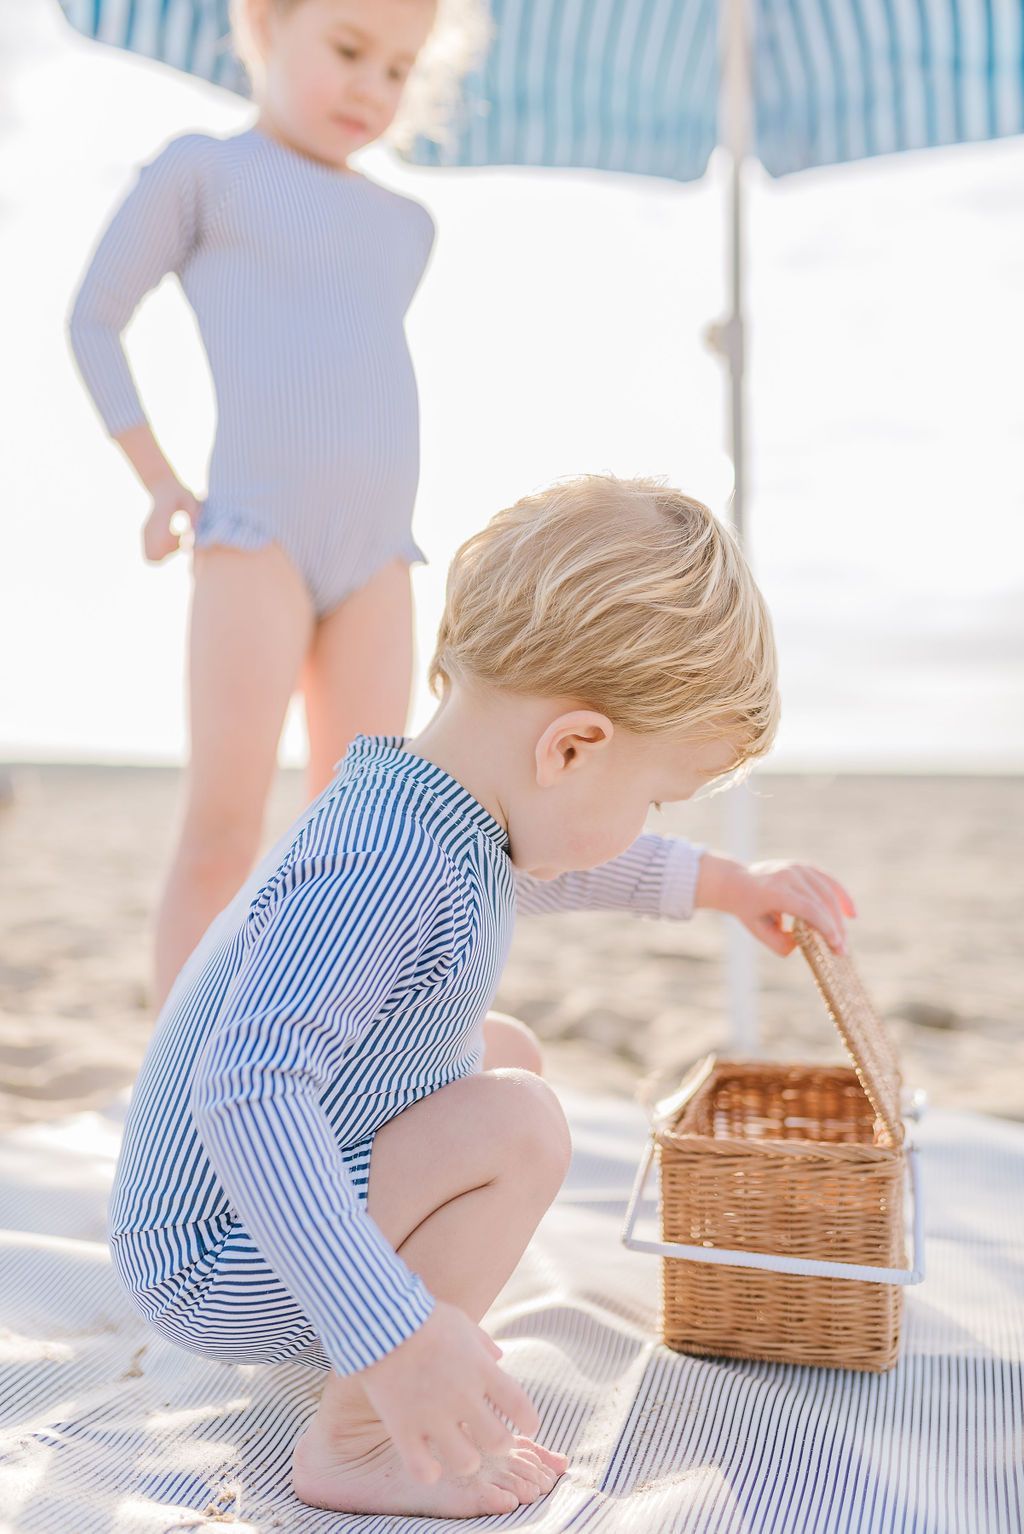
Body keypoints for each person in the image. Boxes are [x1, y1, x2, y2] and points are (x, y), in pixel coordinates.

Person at [107, 476, 856, 1518]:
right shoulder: (390, 860)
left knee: (500, 1051)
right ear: (572, 747)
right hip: (208, 1258)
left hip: (237, 1223)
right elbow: (249, 1089)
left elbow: (580, 866)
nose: (643, 820)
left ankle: (352, 1353)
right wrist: (393, 1332)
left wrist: (725, 884)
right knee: (519, 1124)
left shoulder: (445, 812)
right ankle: (360, 1432)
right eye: (650, 796)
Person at [66, 0, 483, 1005]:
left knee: (354, 843)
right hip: (254, 535)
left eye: (399, 70)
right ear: (265, 25)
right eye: (348, 52)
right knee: (222, 830)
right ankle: (173, 1097)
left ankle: (305, 1069)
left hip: (382, 555)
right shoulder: (205, 172)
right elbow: (93, 319)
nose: (372, 89)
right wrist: (161, 482)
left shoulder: (405, 225)